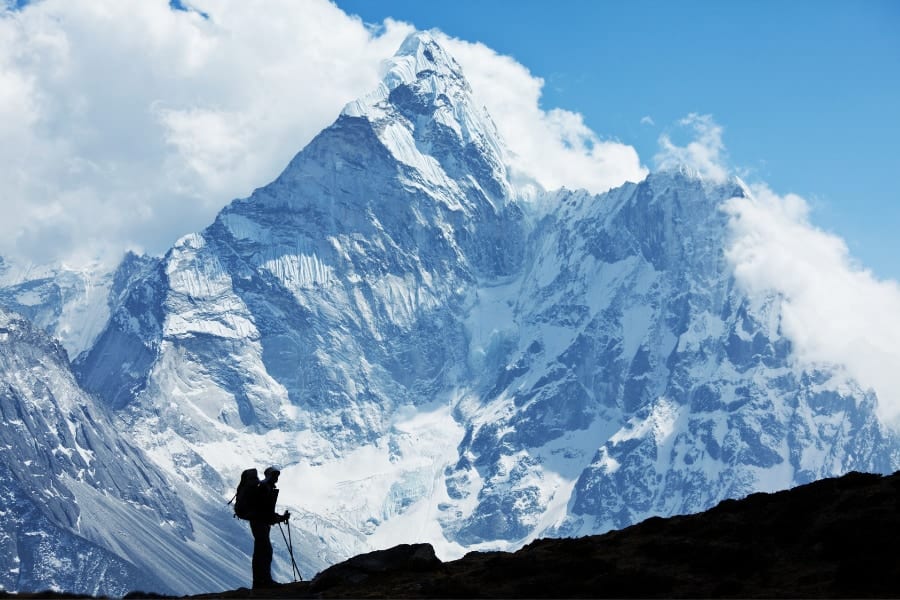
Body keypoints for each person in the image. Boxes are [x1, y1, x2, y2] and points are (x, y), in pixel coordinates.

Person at [249, 465, 290, 589]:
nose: (276, 477)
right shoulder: (265, 488)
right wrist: (280, 518)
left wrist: (278, 518)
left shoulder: (265, 487)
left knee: (261, 551)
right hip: (260, 523)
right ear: (269, 476)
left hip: (259, 522)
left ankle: (260, 581)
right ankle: (263, 581)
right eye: (274, 475)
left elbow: (266, 512)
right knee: (264, 551)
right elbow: (266, 512)